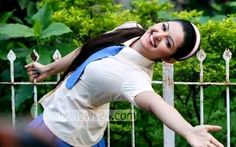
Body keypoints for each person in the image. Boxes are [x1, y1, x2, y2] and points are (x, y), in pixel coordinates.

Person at [25, 20, 224, 147]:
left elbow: (155, 103)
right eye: (164, 27)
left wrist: (188, 130)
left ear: (169, 59)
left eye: (168, 42)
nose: (158, 35)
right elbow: (87, 50)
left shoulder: (135, 77)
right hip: (52, 115)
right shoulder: (129, 29)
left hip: (66, 135)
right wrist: (49, 69)